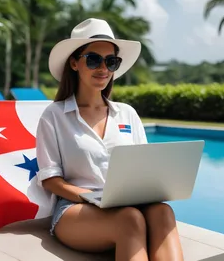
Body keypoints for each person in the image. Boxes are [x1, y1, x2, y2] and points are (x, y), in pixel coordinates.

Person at [35, 18, 184, 261]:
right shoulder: (54, 116)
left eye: (111, 61)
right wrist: (90, 197)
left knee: (163, 212)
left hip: (126, 205)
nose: (103, 68)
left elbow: (144, 169)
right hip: (75, 209)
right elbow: (51, 180)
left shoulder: (127, 113)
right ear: (74, 62)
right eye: (93, 59)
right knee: (130, 219)